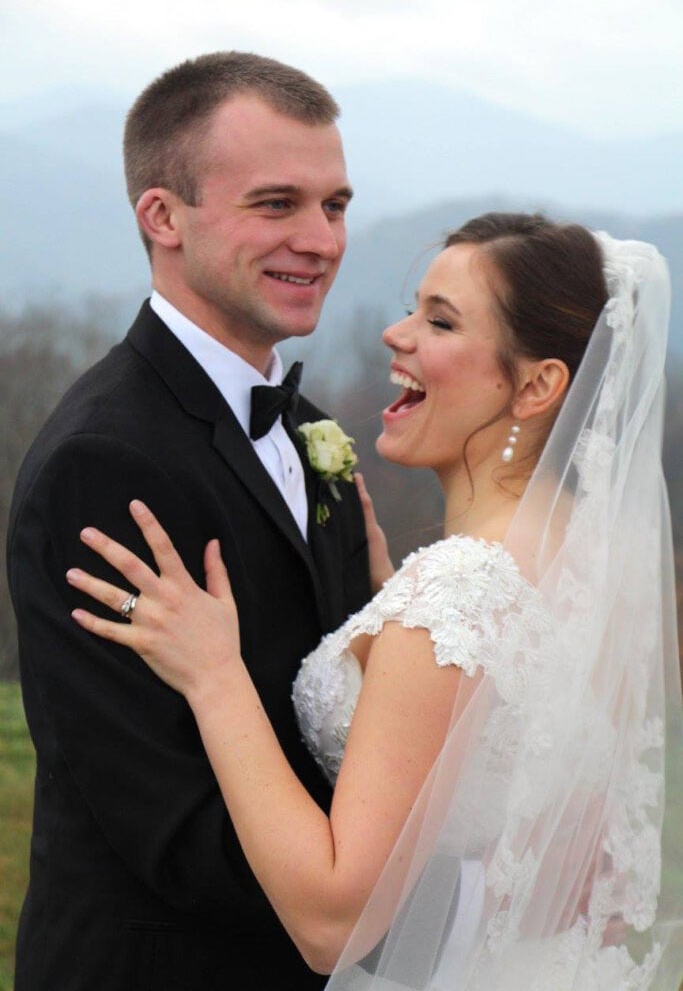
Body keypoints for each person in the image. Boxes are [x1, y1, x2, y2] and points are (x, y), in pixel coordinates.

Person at [67, 212, 683, 990]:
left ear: (536, 385)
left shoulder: (454, 598)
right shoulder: (590, 564)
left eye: (439, 321)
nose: (397, 335)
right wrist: (392, 598)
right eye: (412, 308)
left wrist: (214, 676)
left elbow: (332, 921)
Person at [6, 51, 371, 991]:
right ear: (162, 217)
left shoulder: (311, 429)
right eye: (276, 203)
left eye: (334, 206)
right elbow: (169, 828)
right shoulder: (105, 462)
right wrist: (416, 896)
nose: (320, 239)